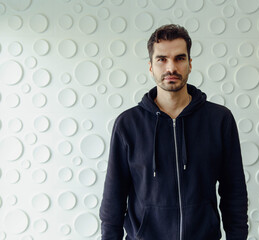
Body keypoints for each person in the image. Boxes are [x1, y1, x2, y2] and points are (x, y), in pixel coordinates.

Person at [100, 24, 248, 240]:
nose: (171, 67)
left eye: (179, 58)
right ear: (151, 66)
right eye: (162, 59)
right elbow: (114, 196)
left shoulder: (219, 120)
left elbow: (234, 191)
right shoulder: (128, 124)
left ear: (190, 64)